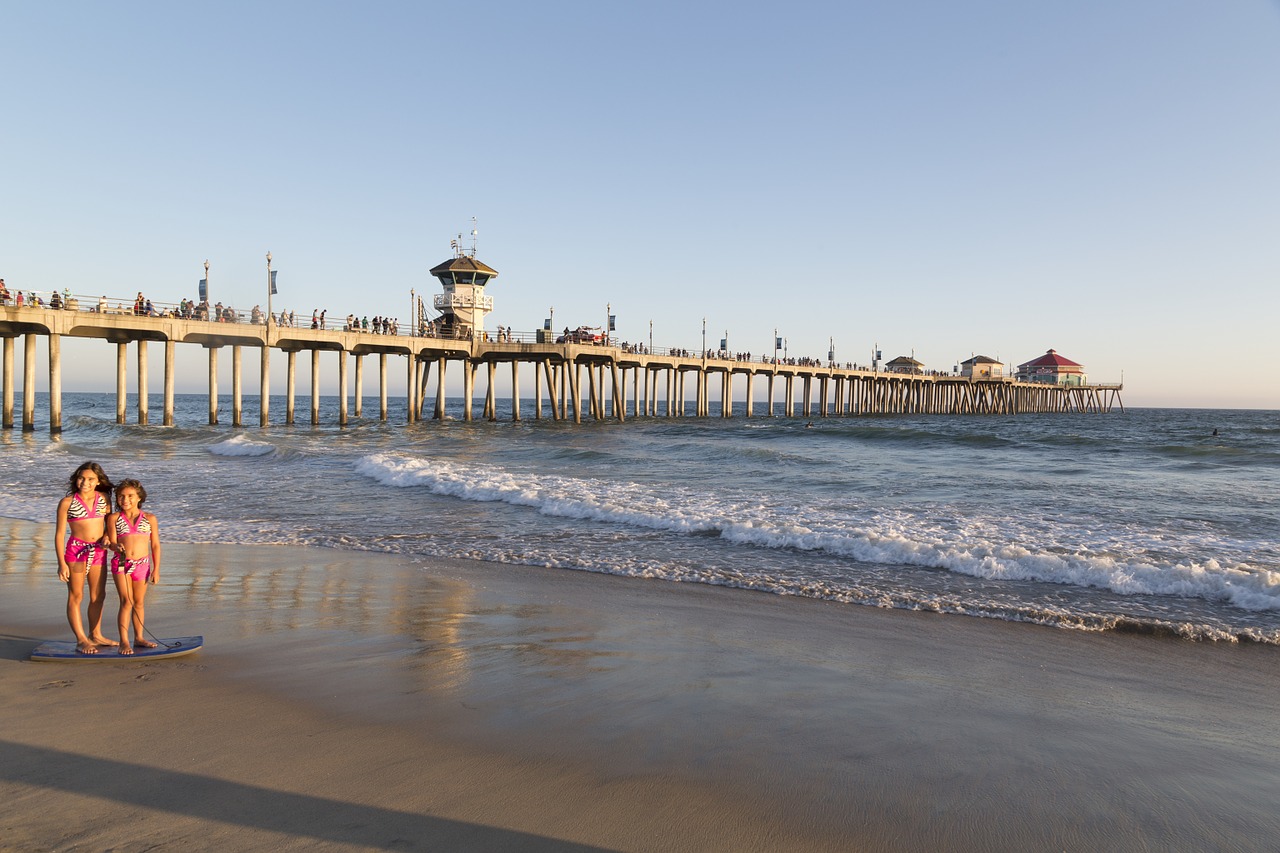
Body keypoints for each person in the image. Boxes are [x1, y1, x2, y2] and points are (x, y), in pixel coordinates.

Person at [54, 462, 117, 654]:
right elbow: (59, 534)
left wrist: (107, 536)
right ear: (76, 479)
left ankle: (95, 634)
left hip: (98, 552)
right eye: (81, 478)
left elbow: (109, 525)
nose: (85, 482)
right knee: (76, 595)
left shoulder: (104, 499)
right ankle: (81, 639)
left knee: (99, 595)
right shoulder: (68, 502)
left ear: (98, 481)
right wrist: (61, 563)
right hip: (76, 553)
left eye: (90, 479)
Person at [106, 479, 162, 655]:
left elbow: (155, 545)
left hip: (142, 565)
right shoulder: (114, 518)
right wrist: (115, 547)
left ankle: (139, 637)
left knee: (138, 603)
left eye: (130, 496)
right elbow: (112, 543)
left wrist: (156, 569)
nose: (125, 499)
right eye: (121, 496)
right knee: (126, 602)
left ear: (139, 498)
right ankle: (124, 641)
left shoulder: (150, 518)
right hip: (122, 564)